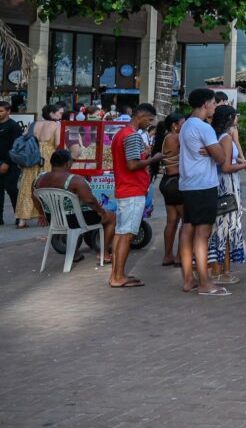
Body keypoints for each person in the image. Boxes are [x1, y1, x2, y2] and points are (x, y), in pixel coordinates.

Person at [178, 88, 230, 296]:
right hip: (203, 185)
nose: (215, 108)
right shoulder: (203, 127)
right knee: (202, 233)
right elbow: (221, 158)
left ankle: (189, 279)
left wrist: (210, 151)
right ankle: (204, 282)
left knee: (188, 229)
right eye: (214, 104)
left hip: (188, 183)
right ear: (206, 105)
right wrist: (212, 150)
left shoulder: (186, 125)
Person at [109, 102, 164, 288]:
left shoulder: (121, 134)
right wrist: (152, 159)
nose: (149, 124)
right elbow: (132, 165)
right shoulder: (131, 136)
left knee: (121, 233)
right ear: (140, 117)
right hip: (132, 189)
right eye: (149, 120)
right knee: (127, 235)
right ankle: (118, 277)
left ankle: (116, 274)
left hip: (125, 189)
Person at [209, 105, 246, 285]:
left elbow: (226, 160)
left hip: (221, 184)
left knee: (221, 228)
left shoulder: (217, 135)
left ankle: (219, 269)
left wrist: (240, 160)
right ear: (230, 118)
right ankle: (222, 271)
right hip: (227, 186)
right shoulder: (226, 138)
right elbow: (226, 167)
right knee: (227, 228)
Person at [33, 148, 100, 262]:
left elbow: (34, 198)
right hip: (74, 220)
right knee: (111, 218)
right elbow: (90, 201)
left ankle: (75, 254)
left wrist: (41, 214)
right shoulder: (75, 180)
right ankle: (106, 253)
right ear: (67, 163)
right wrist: (101, 212)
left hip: (53, 219)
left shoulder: (38, 179)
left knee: (78, 218)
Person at [22, 105, 62, 229]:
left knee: (27, 187)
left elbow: (23, 138)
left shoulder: (33, 124)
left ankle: (22, 221)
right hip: (47, 158)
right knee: (46, 186)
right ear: (51, 114)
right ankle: (47, 216)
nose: (61, 115)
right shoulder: (56, 125)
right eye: (60, 113)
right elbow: (58, 144)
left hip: (31, 157)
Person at [154, 113, 186, 267]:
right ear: (175, 125)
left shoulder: (166, 137)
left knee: (172, 221)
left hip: (167, 182)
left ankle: (168, 256)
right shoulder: (176, 137)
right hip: (176, 181)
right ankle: (180, 256)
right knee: (186, 222)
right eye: (183, 123)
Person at [0, 98, 25, 225]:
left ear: (8, 111)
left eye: (1, 111)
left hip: (11, 163)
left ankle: (19, 215)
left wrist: (7, 163)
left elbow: (16, 147)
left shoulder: (14, 126)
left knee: (11, 189)